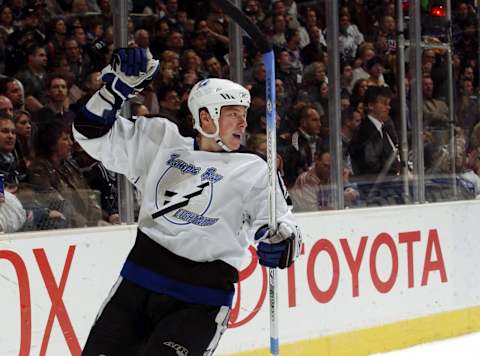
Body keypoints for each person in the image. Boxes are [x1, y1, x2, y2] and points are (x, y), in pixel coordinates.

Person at [75, 48, 302, 356]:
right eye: (233, 113)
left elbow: (280, 223)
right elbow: (91, 134)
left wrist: (283, 239)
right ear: (205, 117)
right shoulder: (161, 141)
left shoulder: (254, 168)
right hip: (137, 286)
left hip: (200, 302)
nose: (243, 123)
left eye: (244, 115)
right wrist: (114, 91)